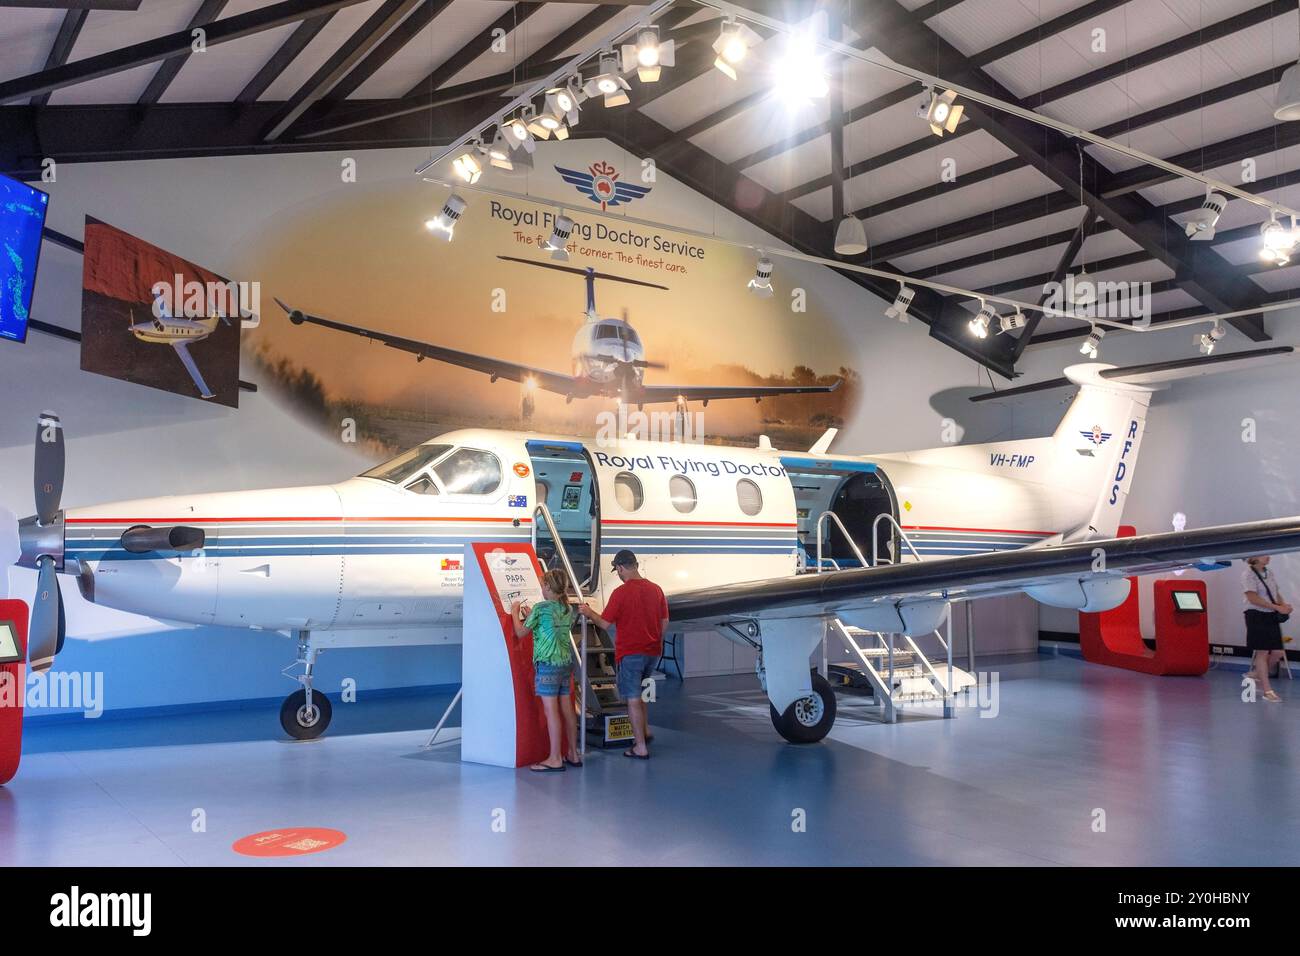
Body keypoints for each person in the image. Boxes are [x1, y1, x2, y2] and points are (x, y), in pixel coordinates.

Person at [578, 549, 668, 759]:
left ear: (619, 568)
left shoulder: (620, 593)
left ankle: (640, 747)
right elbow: (665, 622)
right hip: (653, 651)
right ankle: (645, 731)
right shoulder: (656, 590)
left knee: (632, 698)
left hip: (631, 652)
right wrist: (654, 639)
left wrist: (589, 612)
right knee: (642, 694)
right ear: (635, 564)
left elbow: (605, 623)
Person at [511, 569, 581, 772]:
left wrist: (516, 613)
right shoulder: (566, 607)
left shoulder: (540, 608)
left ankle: (555, 758)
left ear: (548, 587)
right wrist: (530, 615)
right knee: (567, 710)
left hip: (548, 666)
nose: (541, 588)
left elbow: (520, 632)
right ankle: (573, 754)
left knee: (552, 713)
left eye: (542, 585)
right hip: (565, 664)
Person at [1242, 555, 1292, 703]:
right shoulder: (1248, 574)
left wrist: (1283, 605)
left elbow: (1275, 593)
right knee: (1262, 651)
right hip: (1256, 615)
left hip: (1270, 615)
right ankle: (1267, 690)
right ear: (1254, 557)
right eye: (1265, 554)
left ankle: (1258, 673)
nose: (1268, 557)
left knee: (1278, 652)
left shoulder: (1269, 573)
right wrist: (1277, 607)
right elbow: (1253, 598)